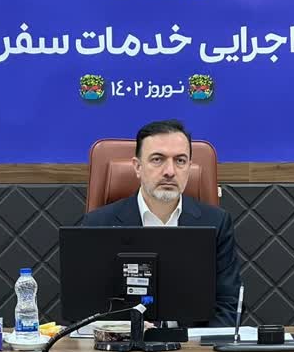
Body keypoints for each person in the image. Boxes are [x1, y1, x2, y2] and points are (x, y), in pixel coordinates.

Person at [81, 119, 241, 326]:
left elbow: (229, 305)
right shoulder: (99, 224)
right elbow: (85, 309)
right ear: (137, 167)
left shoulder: (216, 223)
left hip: (192, 344)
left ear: (189, 167)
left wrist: (194, 343)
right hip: (125, 344)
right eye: (157, 159)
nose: (170, 171)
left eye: (180, 160)